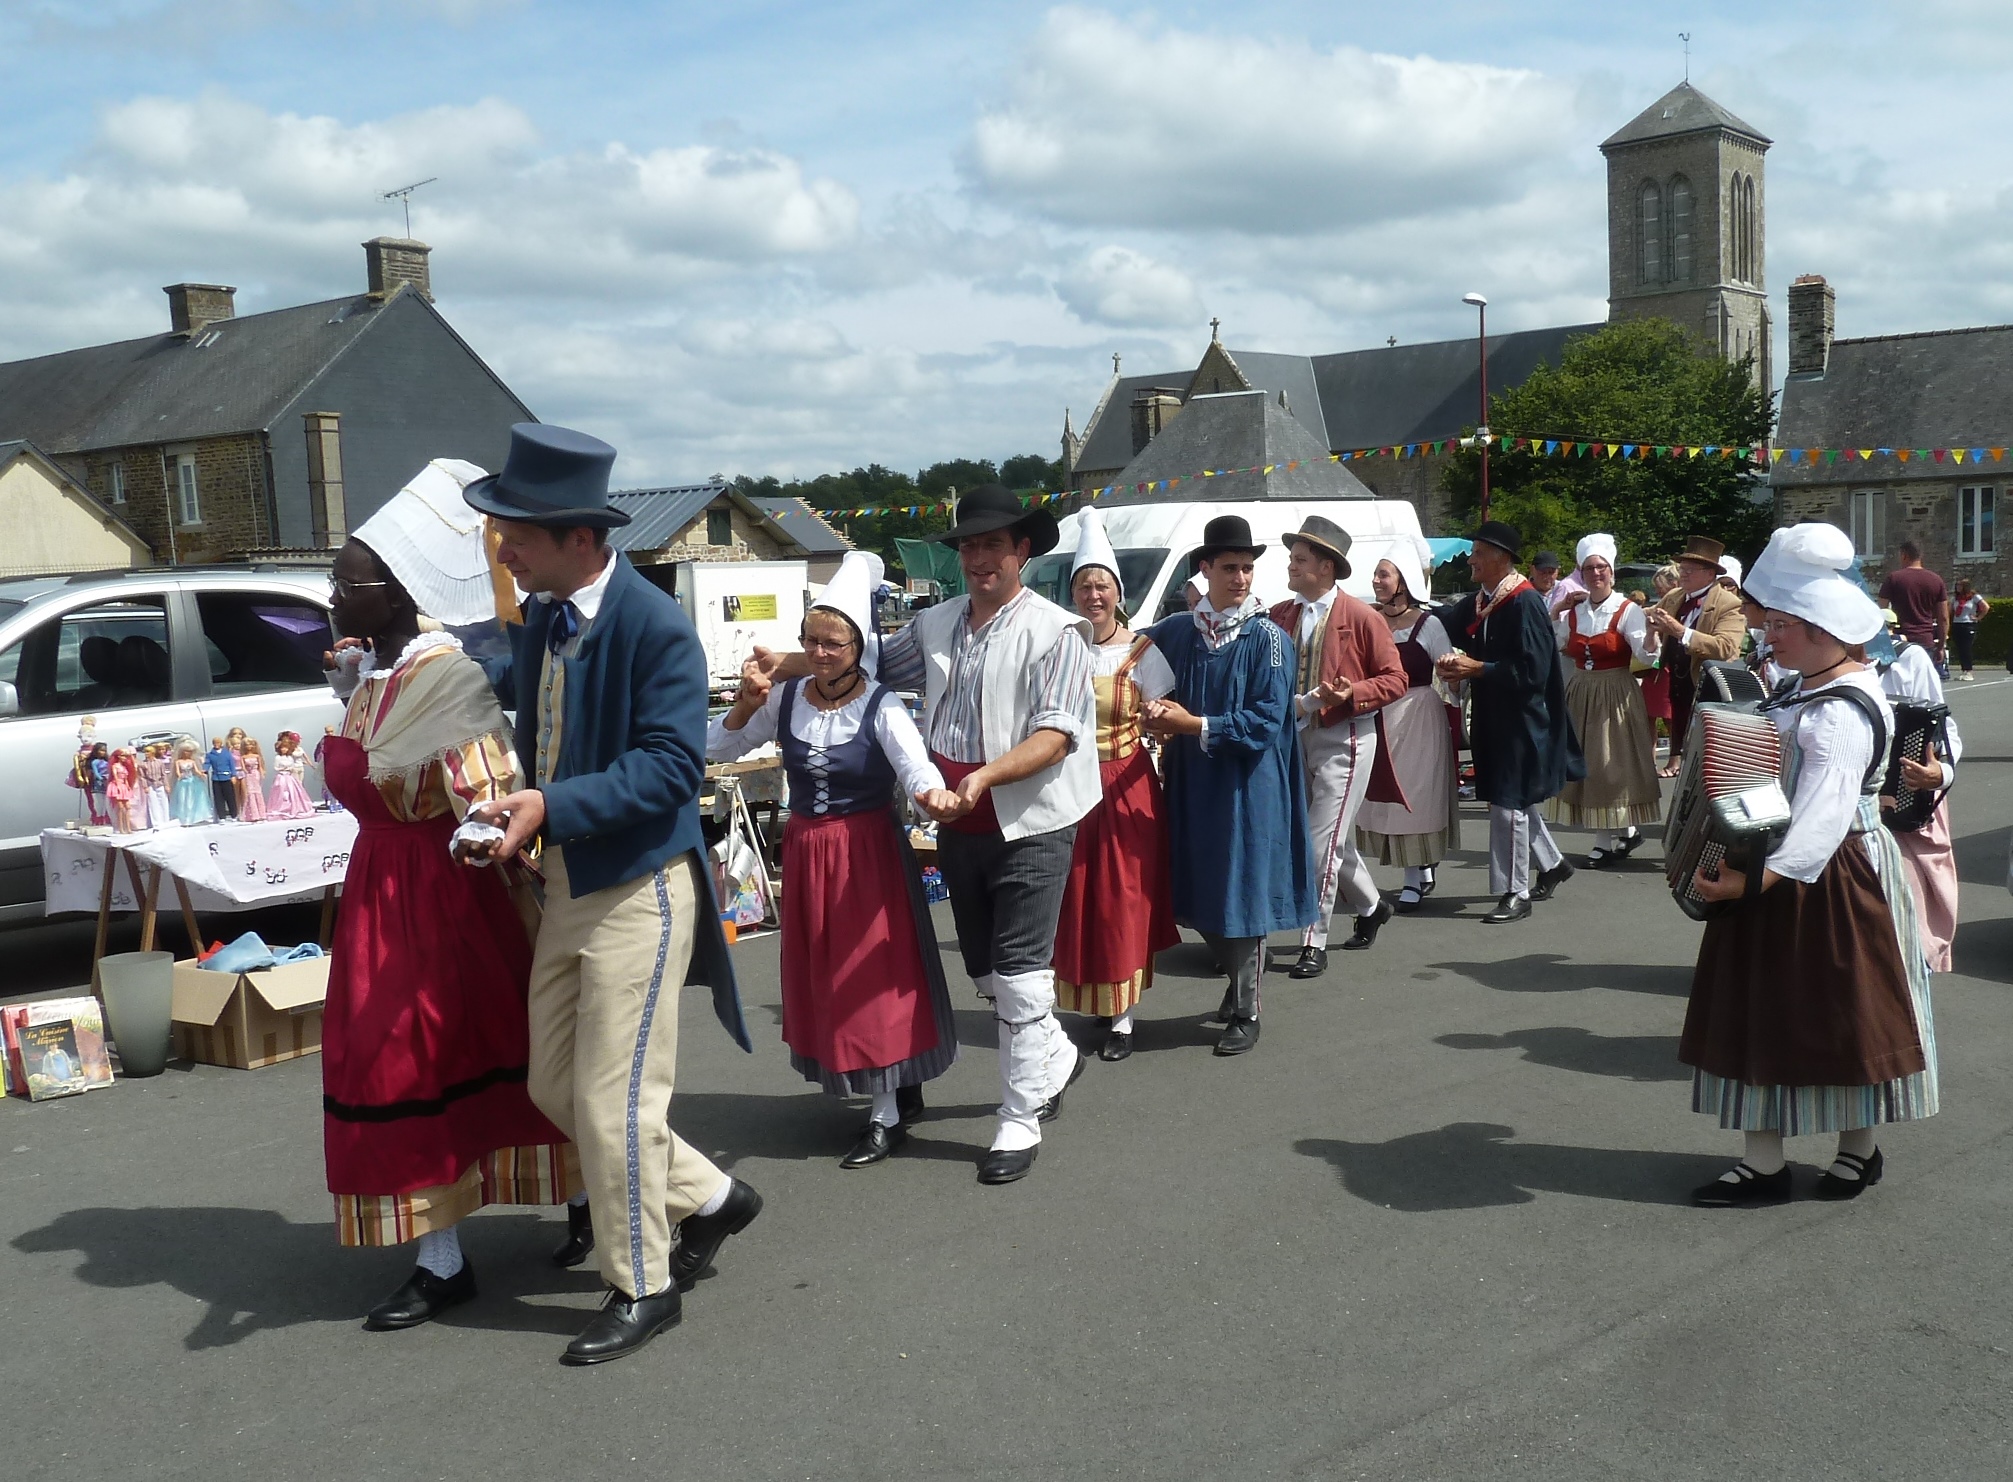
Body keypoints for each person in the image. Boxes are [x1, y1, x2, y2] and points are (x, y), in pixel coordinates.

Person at [462, 424, 755, 1365]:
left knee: (614, 1103)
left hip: (640, 891)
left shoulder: (656, 625)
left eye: (517, 533)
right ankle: (712, 1196)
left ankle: (644, 1283)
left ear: (579, 539)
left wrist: (549, 803)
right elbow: (533, 720)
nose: (503, 549)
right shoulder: (548, 616)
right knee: (556, 1083)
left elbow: (673, 770)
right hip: (567, 883)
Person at [760, 485, 1098, 1186]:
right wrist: (780, 666)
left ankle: (1017, 1117)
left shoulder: (1059, 630)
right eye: (969, 546)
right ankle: (1053, 1054)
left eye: (993, 545)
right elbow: (856, 661)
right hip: (956, 819)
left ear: (1022, 552)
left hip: (1030, 815)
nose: (978, 558)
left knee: (1018, 972)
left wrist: (980, 779)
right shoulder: (935, 622)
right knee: (982, 971)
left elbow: (1058, 733)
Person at [318, 459, 576, 1333]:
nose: (330, 594)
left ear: (390, 594)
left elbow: (489, 793)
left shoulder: (448, 678)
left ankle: (575, 1200)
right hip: (378, 895)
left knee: (458, 1056)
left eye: (344, 583)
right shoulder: (374, 678)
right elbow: (361, 777)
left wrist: (478, 827)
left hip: (447, 899)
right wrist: (346, 691)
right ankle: (441, 1254)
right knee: (396, 1061)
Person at [1680, 522, 1938, 1205]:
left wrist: (1752, 878)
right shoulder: (1806, 689)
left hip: (1824, 874)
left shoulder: (1839, 712)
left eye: (1783, 624)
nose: (1769, 633)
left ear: (1822, 630)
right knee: (1770, 1011)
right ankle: (1765, 1162)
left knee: (1837, 1014)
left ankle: (1853, 1150)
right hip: (1790, 862)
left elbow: (1822, 816)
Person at [708, 552, 958, 1166]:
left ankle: (885, 1112)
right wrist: (743, 702)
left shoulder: (883, 705)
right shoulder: (786, 698)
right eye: (810, 640)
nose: (820, 653)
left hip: (867, 852)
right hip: (808, 852)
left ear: (858, 647)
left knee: (871, 976)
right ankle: (892, 1088)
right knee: (827, 975)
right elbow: (720, 744)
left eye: (833, 643)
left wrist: (931, 793)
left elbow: (915, 765)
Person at [1142, 515, 1316, 1055]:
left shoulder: (1267, 639)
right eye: (1230, 567)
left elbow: (1265, 721)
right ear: (1205, 569)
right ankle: (1240, 984)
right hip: (1195, 784)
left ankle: (1247, 1008)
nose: (1241, 577)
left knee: (1242, 890)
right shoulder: (1176, 631)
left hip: (1248, 785)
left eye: (1247, 568)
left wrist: (1191, 725)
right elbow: (1121, 659)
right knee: (1196, 887)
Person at [1048, 507, 1179, 1061]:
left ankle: (1123, 1016)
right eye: (1083, 586)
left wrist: (1159, 716)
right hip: (1068, 785)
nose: (1093, 596)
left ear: (1117, 591)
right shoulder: (1058, 644)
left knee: (1122, 898)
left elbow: (1168, 716)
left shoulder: (1143, 652)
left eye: (1101, 586)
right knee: (1076, 896)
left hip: (1125, 785)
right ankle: (1088, 999)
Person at [1267, 516, 1409, 978]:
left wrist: (1353, 693)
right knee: (1330, 840)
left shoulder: (1361, 616)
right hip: (1296, 736)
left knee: (1318, 841)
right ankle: (1370, 906)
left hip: (1345, 738)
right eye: (1292, 558)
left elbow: (1396, 679)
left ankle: (1314, 937)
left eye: (1300, 559)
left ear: (1326, 568)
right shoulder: (1280, 615)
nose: (1291, 565)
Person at [1435, 520, 1585, 923]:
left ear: (1502, 558)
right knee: (1509, 798)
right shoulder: (1484, 599)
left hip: (1524, 722)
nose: (1471, 559)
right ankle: (1552, 864)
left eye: (1479, 553)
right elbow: (1446, 622)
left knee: (1507, 805)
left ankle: (1515, 891)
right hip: (1494, 716)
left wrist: (1477, 668)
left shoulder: (1524, 602)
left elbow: (1533, 671)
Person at [1355, 541, 1459, 913]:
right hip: (1382, 714)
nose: (1377, 581)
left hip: (1417, 715)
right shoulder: (1372, 621)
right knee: (1384, 797)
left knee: (1415, 796)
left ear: (1403, 581)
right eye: (1377, 574)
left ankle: (1414, 876)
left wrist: (1456, 680)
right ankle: (1419, 870)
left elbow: (1449, 673)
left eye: (1384, 574)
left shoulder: (1428, 624)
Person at [1547, 534, 1662, 865]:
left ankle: (1604, 840)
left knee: (1609, 766)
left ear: (1611, 572)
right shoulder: (1575, 612)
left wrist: (1653, 632)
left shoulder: (1627, 610)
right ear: (1581, 574)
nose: (1596, 573)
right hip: (1581, 691)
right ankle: (1623, 832)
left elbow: (1646, 655)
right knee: (1585, 764)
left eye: (1602, 567)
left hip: (1615, 692)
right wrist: (1556, 610)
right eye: (1589, 568)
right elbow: (1554, 643)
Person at [1879, 630, 1962, 973]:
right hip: (1829, 834)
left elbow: (1947, 733)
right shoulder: (1789, 673)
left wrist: (1939, 773)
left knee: (1904, 946)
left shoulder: (1907, 659)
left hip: (1900, 819)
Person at [1646, 537, 1747, 776]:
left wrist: (1681, 632)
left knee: (1707, 753)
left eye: (1691, 569)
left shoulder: (1729, 604)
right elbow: (1647, 614)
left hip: (1707, 685)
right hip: (1678, 682)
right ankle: (1677, 762)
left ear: (1710, 574)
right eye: (1682, 568)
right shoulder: (1675, 597)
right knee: (1679, 729)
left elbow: (1726, 647)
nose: (1683, 574)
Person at [1877, 540, 1949, 667]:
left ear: (1904, 555)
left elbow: (1881, 611)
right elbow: (1943, 617)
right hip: (1926, 639)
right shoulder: (1936, 580)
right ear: (1920, 556)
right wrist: (1941, 646)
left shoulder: (1894, 578)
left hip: (1901, 640)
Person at [267, 733, 316, 819]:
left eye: (286, 748)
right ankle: (284, 806)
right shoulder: (278, 758)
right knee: (283, 790)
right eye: (282, 748)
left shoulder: (291, 756)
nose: (284, 749)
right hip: (282, 776)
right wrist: (283, 769)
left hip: (292, 772)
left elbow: (299, 761)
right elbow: (276, 767)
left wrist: (310, 764)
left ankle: (297, 804)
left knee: (297, 788)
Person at [1950, 579, 1988, 681]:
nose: (1958, 587)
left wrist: (1978, 617)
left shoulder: (1974, 597)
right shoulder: (1955, 598)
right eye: (1957, 585)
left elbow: (1985, 607)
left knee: (1966, 648)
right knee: (1960, 649)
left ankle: (1969, 671)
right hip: (1957, 624)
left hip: (1968, 625)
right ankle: (1964, 671)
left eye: (1960, 585)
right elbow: (1950, 611)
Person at [171, 742, 213, 825]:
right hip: (183, 782)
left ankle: (193, 818)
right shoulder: (178, 761)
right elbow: (177, 772)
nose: (188, 753)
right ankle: (184, 818)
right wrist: (180, 776)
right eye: (186, 751)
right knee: (183, 799)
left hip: (192, 781)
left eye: (189, 751)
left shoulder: (192, 761)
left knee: (192, 799)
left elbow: (196, 771)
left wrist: (201, 774)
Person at [203, 737, 240, 821]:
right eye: (215, 743)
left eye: (218, 742)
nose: (216, 744)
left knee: (230, 797)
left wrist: (233, 775)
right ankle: (221, 816)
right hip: (216, 778)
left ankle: (234, 814)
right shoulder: (210, 754)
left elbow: (231, 765)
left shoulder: (227, 753)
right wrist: (204, 770)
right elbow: (207, 763)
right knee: (218, 798)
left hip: (227, 777)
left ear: (221, 743)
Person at [137, 743, 172, 830]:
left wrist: (166, 785)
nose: (146, 754)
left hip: (159, 783)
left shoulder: (159, 762)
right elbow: (142, 776)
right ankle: (156, 822)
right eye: (145, 752)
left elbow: (163, 774)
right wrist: (145, 786)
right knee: (153, 803)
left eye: (148, 752)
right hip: (150, 784)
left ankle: (165, 820)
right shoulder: (142, 764)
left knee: (163, 801)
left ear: (152, 752)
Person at [238, 738, 269, 822]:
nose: (249, 746)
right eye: (247, 745)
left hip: (256, 774)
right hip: (249, 774)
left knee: (258, 792)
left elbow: (260, 766)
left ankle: (261, 813)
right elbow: (243, 767)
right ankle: (252, 814)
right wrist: (247, 772)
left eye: (251, 744)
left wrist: (262, 773)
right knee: (250, 793)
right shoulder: (243, 757)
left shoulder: (257, 756)